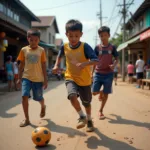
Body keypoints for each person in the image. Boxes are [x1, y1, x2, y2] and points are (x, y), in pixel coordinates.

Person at [52, 19, 98, 132]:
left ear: (81, 35)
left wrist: (85, 64)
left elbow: (95, 60)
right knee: (72, 96)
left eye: (76, 36)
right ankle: (81, 116)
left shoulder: (85, 47)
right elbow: (59, 56)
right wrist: (56, 65)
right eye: (70, 36)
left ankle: (89, 119)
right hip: (70, 77)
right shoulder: (64, 46)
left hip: (85, 80)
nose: (73, 39)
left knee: (86, 103)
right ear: (66, 34)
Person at [17, 29, 48, 127]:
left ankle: (43, 106)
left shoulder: (41, 50)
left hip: (38, 79)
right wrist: (19, 78)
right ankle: (27, 119)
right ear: (28, 39)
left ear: (39, 40)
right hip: (26, 77)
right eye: (31, 40)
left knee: (38, 98)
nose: (33, 42)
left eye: (36, 40)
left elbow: (43, 65)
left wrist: (45, 80)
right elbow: (21, 65)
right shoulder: (24, 50)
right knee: (24, 96)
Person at [92, 26, 118, 120]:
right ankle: (100, 92)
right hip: (98, 73)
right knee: (94, 92)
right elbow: (94, 60)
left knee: (106, 93)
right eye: (101, 35)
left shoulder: (112, 47)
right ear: (99, 37)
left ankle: (101, 111)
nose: (103, 37)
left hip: (108, 74)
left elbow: (117, 58)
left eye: (105, 35)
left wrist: (114, 64)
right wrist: (92, 74)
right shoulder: (97, 48)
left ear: (109, 35)